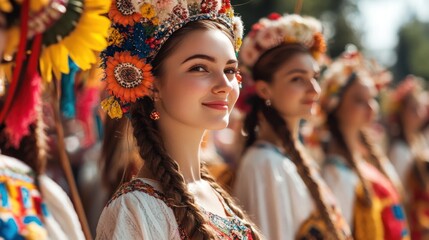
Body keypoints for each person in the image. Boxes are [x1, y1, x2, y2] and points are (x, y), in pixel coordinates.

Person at [95, 0, 261, 239]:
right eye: (200, 68)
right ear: (153, 85)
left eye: (229, 70)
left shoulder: (213, 194)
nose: (225, 85)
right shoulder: (136, 209)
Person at [233, 13, 351, 240]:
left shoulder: (290, 157)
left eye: (314, 76)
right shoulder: (263, 164)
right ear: (264, 89)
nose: (314, 89)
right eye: (297, 78)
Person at [319, 46, 409, 240]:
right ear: (336, 106)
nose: (371, 107)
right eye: (359, 100)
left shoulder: (362, 162)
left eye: (372, 99)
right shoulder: (336, 173)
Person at [387, 75, 429, 240]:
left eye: (420, 107)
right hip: (412, 224)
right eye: (413, 108)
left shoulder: (419, 141)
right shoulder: (400, 150)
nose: (419, 113)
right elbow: (399, 196)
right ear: (401, 113)